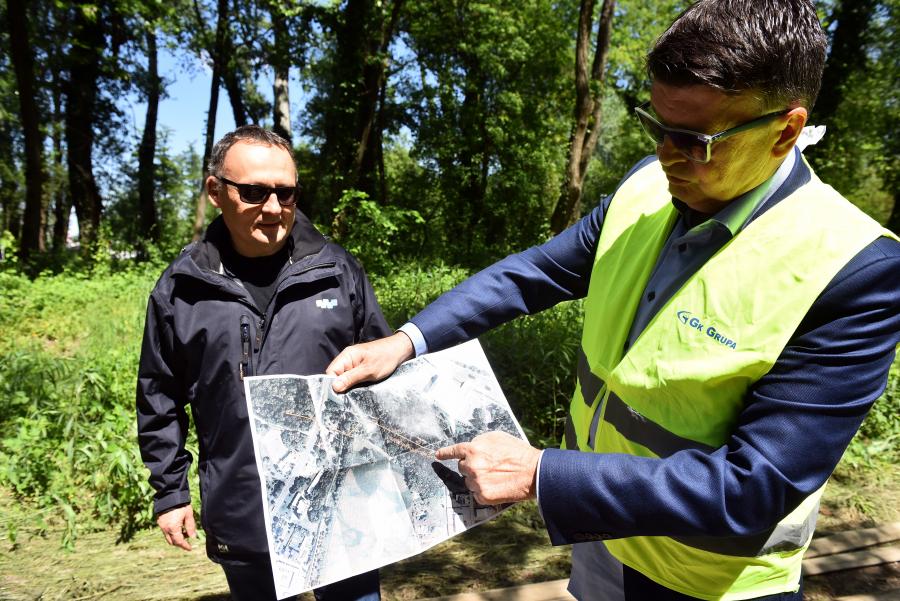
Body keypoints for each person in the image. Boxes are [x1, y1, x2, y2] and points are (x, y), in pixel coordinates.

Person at [324, 1, 900, 600]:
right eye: (657, 127)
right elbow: (533, 274)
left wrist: (542, 475)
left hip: (710, 580)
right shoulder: (646, 187)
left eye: (696, 139)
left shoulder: (853, 267)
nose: (668, 155)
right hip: (602, 542)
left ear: (785, 129)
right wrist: (405, 340)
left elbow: (755, 487)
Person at [136, 125, 390, 601]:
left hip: (342, 504)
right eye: (253, 192)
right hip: (243, 505)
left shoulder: (338, 271)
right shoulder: (181, 288)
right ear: (216, 190)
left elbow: (383, 371)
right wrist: (170, 492)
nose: (274, 208)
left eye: (286, 192)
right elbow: (159, 395)